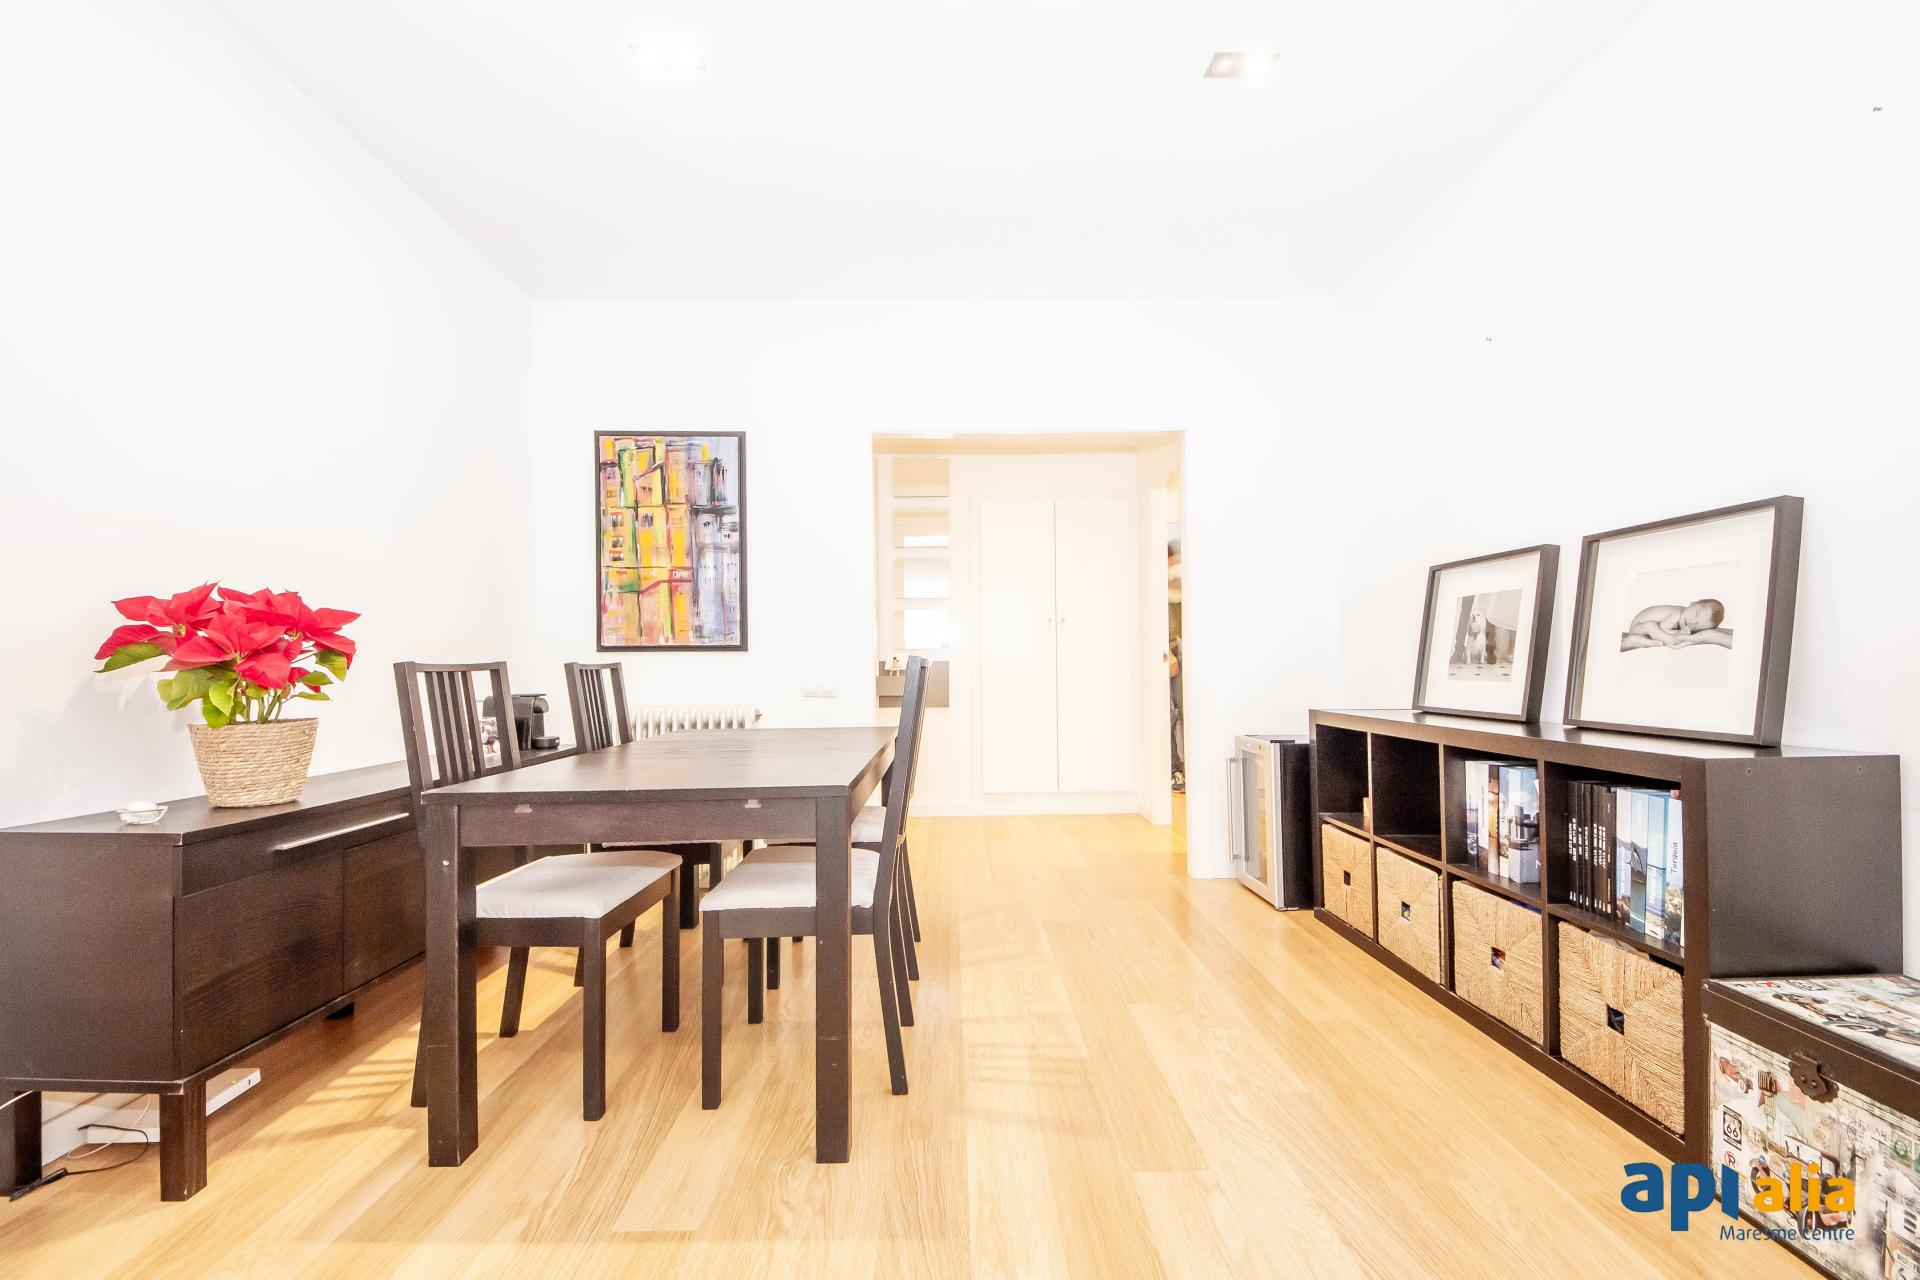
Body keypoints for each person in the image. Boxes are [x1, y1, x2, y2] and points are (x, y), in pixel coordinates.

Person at [1620, 599, 1732, 650]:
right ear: (1693, 603)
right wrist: (1677, 635)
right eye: (1695, 614)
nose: (1692, 622)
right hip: (1639, 627)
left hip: (1641, 631)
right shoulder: (1677, 614)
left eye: (1697, 626)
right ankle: (1671, 640)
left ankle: (1640, 641)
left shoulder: (1683, 615)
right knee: (1651, 626)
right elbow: (1662, 629)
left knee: (1652, 630)